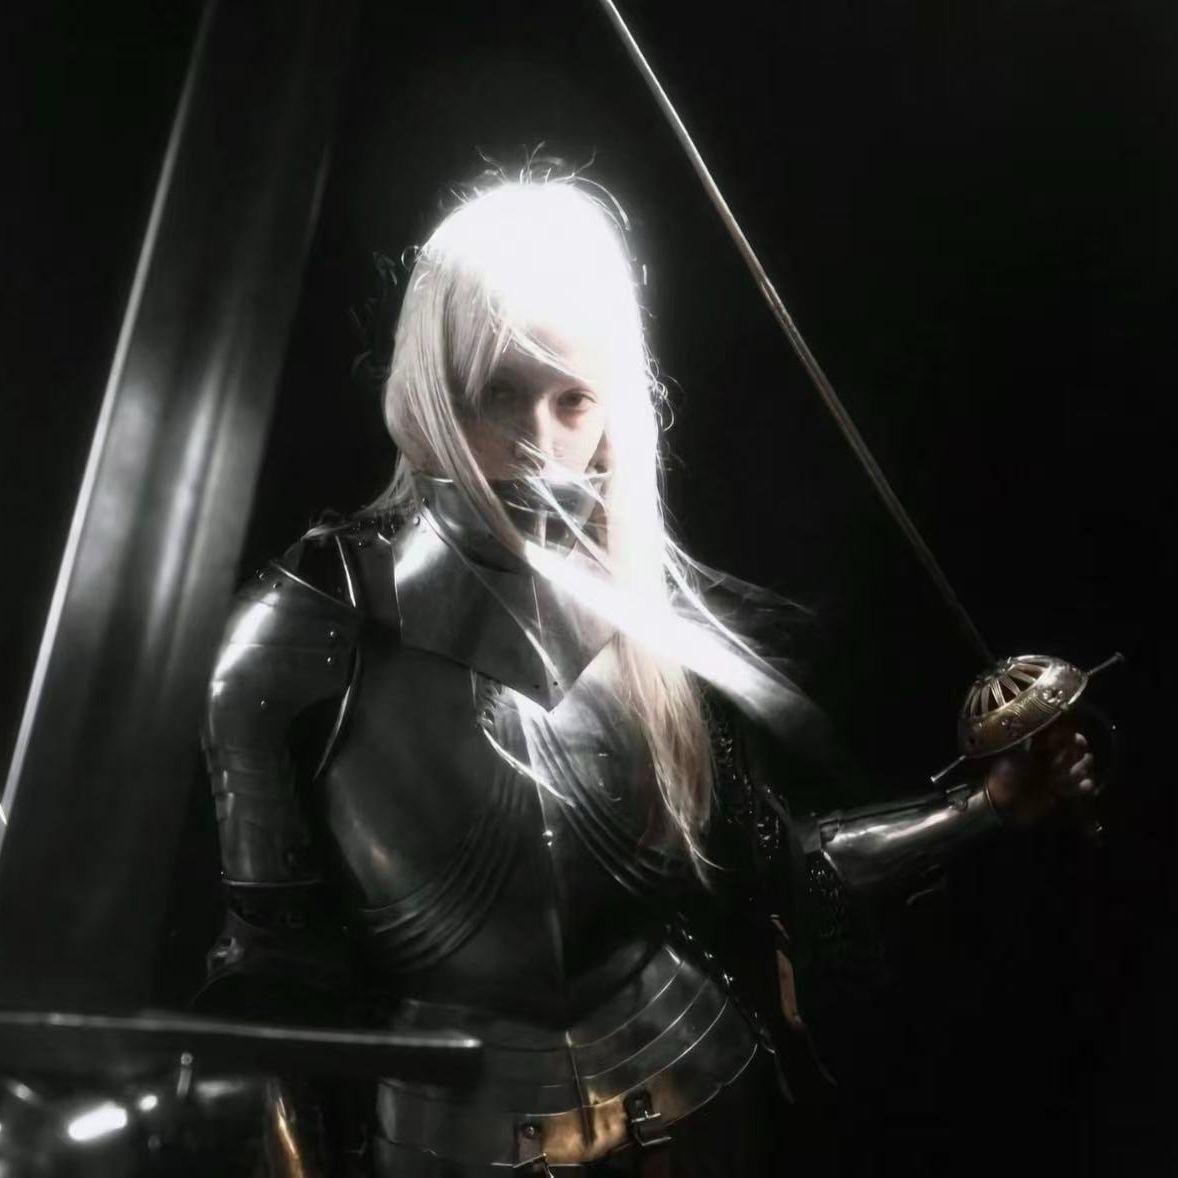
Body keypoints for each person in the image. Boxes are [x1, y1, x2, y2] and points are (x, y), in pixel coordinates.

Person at [199, 173, 1096, 1175]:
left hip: (699, 1096)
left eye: (572, 398)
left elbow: (786, 873)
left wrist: (984, 806)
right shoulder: (301, 630)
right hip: (446, 1138)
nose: (541, 445)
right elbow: (268, 990)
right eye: (499, 391)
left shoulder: (650, 616)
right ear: (431, 387)